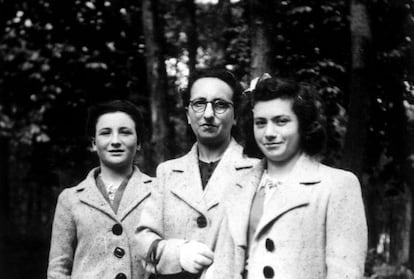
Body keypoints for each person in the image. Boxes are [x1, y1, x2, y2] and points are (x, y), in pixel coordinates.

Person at [203, 75, 368, 279]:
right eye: (260, 123)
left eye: (281, 121)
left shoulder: (338, 185)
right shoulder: (238, 186)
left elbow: (345, 273)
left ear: (302, 125)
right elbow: (222, 267)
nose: (269, 132)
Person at [135, 69, 259, 278]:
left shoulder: (257, 171)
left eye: (220, 105)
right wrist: (177, 253)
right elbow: (143, 241)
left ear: (235, 115)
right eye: (199, 103)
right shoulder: (167, 173)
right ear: (188, 114)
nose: (208, 114)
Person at [48, 100, 154, 279]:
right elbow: (58, 270)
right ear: (94, 143)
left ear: (139, 143)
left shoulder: (159, 191)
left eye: (125, 132)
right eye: (105, 133)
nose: (115, 141)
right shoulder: (70, 199)